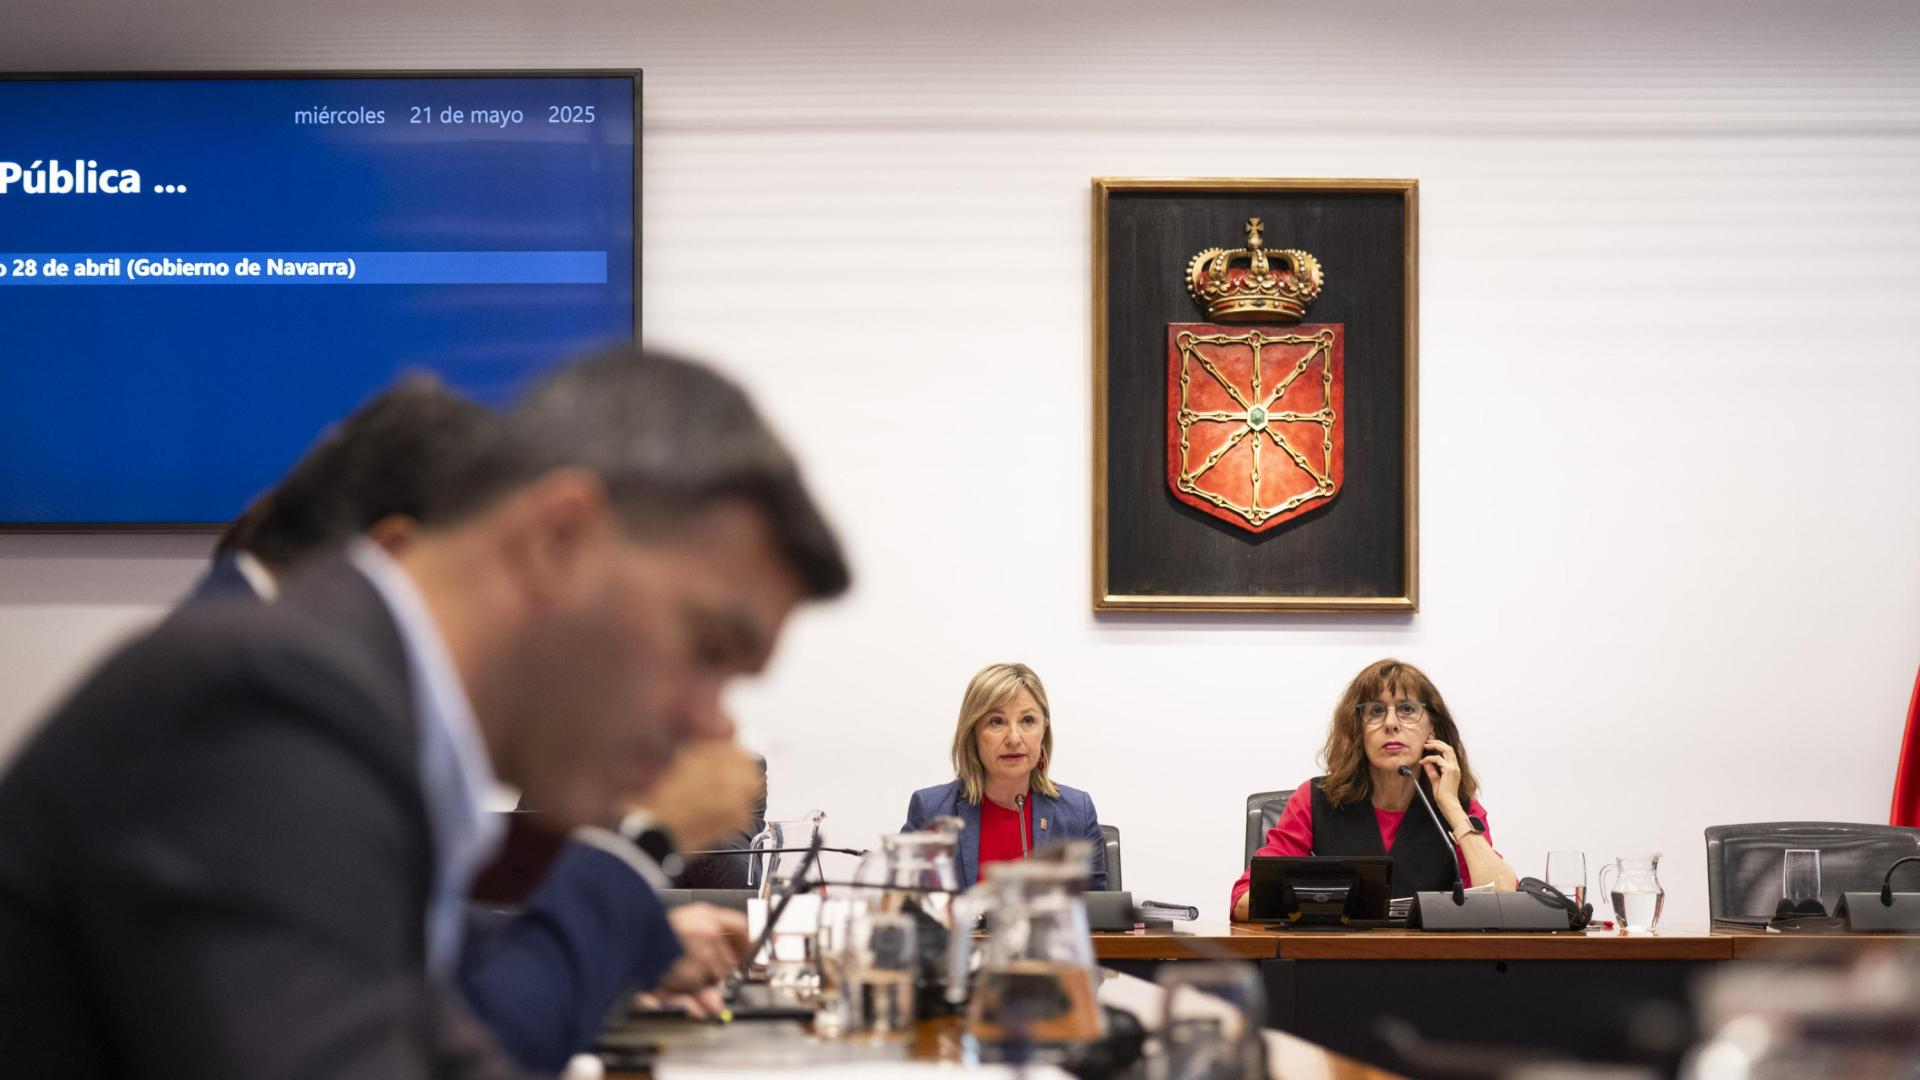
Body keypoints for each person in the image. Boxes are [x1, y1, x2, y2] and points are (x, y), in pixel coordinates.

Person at [0, 347, 851, 1078]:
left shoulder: (356, 714)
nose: (715, 726)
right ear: (559, 538)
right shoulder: (269, 704)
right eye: (706, 648)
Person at [187, 373, 763, 1069]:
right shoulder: (257, 710)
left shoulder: (267, 681)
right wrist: (643, 840)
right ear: (399, 556)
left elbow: (427, 972)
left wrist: (618, 959)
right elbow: (478, 1045)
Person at [1231, 658, 1518, 919]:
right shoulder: (1315, 799)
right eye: (1375, 711)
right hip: (1336, 962)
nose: (1391, 724)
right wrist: (1325, 904)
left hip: (1432, 965)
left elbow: (1505, 901)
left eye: (1407, 710)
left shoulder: (1459, 805)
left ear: (1432, 728)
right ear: (1358, 729)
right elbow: (1243, 902)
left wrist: (1453, 808)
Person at [902, 663, 1107, 890]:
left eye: (1027, 720)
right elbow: (904, 910)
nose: (1014, 738)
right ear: (973, 733)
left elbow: (1099, 916)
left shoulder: (1077, 812)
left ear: (1043, 730)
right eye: (996, 721)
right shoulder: (932, 811)